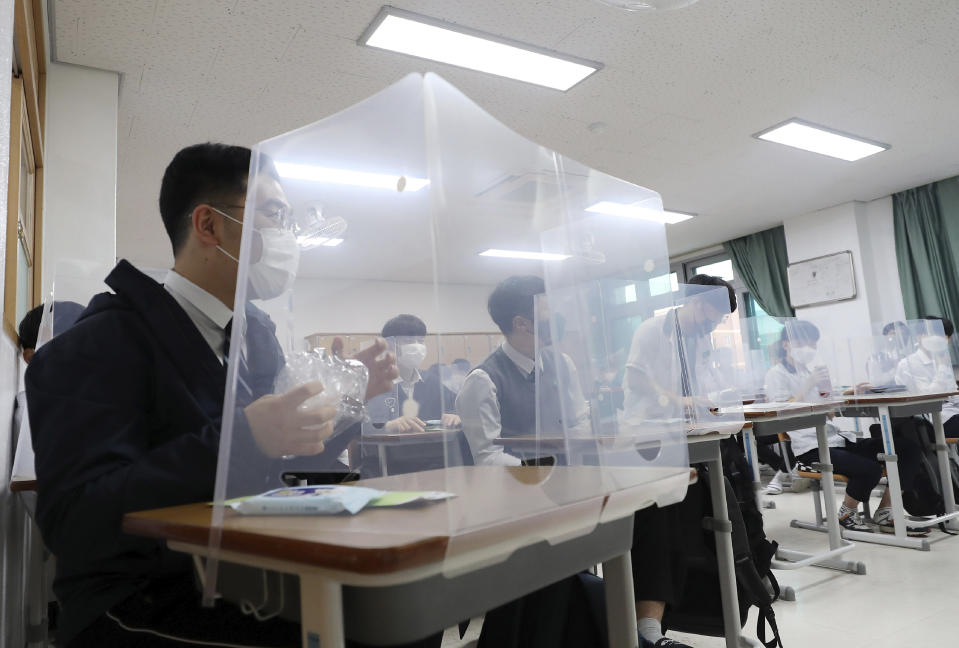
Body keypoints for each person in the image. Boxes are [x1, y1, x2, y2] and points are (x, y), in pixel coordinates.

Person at [25, 143, 422, 647]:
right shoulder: (99, 344)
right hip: (141, 597)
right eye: (274, 215)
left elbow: (276, 467)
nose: (287, 235)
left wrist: (344, 401)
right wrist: (246, 436)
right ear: (208, 226)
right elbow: (76, 522)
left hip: (242, 567)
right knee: (373, 628)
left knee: (405, 603)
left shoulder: (256, 335)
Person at [623, 273, 737, 648]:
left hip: (686, 434)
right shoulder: (653, 329)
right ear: (696, 301)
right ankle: (649, 624)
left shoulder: (698, 340)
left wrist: (709, 401)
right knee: (665, 517)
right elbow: (638, 380)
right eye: (714, 314)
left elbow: (698, 385)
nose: (713, 324)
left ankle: (740, 582)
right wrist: (675, 400)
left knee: (731, 482)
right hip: (647, 436)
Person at [764, 320, 924, 536]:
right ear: (786, 345)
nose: (810, 350)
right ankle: (847, 512)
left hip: (837, 438)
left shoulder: (812, 371)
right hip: (809, 446)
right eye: (804, 344)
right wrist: (810, 384)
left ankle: (886, 511)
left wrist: (846, 392)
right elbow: (782, 411)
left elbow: (829, 411)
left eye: (813, 345)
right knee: (870, 468)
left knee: (907, 448)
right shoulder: (777, 374)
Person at [456, 275, 589, 466]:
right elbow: (488, 457)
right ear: (521, 324)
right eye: (548, 310)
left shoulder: (564, 364)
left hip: (565, 477)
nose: (555, 317)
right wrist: (544, 471)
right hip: (516, 486)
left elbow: (580, 422)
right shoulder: (483, 380)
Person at [894, 316, 959, 437]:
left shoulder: (941, 360)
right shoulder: (908, 364)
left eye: (945, 337)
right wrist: (942, 368)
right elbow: (929, 396)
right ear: (920, 336)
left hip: (953, 414)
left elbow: (953, 394)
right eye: (936, 335)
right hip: (935, 420)